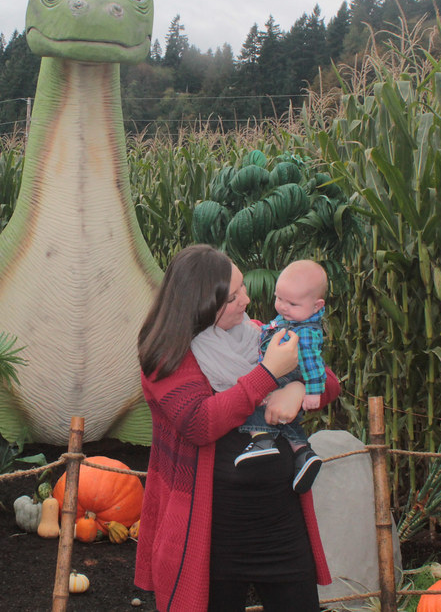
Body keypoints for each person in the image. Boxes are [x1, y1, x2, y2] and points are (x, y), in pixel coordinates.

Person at [134, 244, 336, 612]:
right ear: (202, 305)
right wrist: (267, 375)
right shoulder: (167, 358)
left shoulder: (254, 334)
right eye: (233, 296)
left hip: (278, 523)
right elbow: (199, 422)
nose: (247, 299)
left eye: (242, 287)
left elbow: (328, 381)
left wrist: (296, 388)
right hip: (211, 533)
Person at [234, 260, 329, 495]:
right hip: (285, 372)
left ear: (317, 306)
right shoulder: (293, 318)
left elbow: (313, 363)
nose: (283, 307)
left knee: (255, 397)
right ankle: (302, 452)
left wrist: (311, 391)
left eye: (292, 303)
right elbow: (274, 327)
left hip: (288, 372)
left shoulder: (305, 332)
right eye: (280, 298)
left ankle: (261, 439)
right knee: (286, 417)